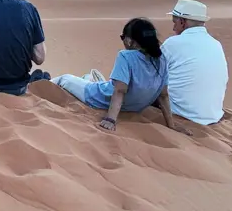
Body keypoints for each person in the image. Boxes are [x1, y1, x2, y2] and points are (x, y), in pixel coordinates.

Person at [51, 18, 188, 134]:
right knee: (93, 82)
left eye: (123, 37)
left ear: (129, 40)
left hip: (97, 98)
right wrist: (171, 125)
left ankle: (39, 85)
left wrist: (110, 120)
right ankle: (90, 78)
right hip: (133, 106)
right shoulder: (162, 59)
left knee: (64, 78)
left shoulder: (126, 56)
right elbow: (163, 95)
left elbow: (120, 90)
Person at [162, 0, 229, 126]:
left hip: (182, 113)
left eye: (175, 22)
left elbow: (151, 72)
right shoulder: (216, 44)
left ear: (182, 22)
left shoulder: (173, 43)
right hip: (213, 114)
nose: (173, 27)